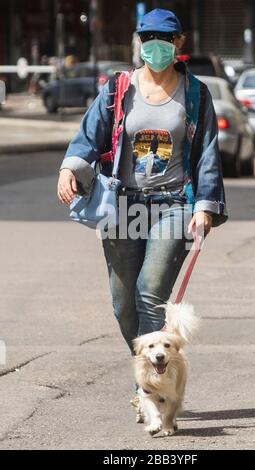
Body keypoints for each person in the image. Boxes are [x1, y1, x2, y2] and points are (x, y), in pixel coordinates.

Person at [57, 9, 228, 364]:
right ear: (139, 42)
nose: (155, 46)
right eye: (148, 38)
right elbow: (89, 136)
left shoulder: (195, 93)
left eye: (164, 39)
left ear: (178, 43)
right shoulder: (119, 88)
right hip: (122, 206)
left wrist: (204, 207)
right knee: (123, 304)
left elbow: (207, 152)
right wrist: (69, 168)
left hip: (175, 204)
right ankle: (147, 367)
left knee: (150, 294)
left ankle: (147, 389)